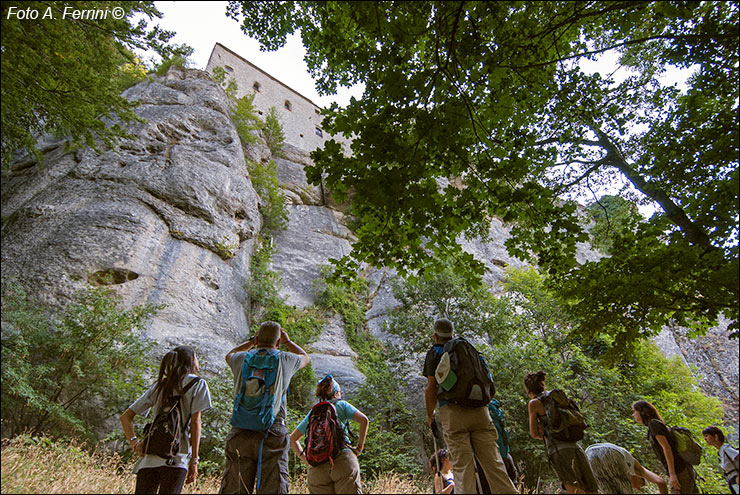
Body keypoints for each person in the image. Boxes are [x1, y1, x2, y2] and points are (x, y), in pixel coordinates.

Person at [423, 317, 517, 494]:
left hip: (453, 413)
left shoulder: (435, 353)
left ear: (435, 336)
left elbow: (431, 387)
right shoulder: (469, 350)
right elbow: (490, 387)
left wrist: (430, 415)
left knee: (463, 469)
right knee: (495, 465)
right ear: (453, 334)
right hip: (481, 413)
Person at [219, 321, 310, 494]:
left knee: (234, 487)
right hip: (273, 431)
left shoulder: (241, 358)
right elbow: (305, 357)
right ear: (278, 342)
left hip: (240, 430)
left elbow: (230, 354)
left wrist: (252, 342)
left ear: (257, 338)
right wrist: (288, 342)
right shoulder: (285, 359)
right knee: (273, 487)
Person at [120, 345, 212, 494]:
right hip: (176, 458)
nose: (198, 361)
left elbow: (126, 417)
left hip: (150, 457)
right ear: (190, 360)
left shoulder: (160, 385)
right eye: (196, 357)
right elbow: (196, 422)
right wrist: (194, 460)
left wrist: (134, 443)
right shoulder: (198, 384)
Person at [290, 375, 369, 494]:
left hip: (317, 469)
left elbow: (293, 439)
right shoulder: (341, 405)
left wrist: (307, 461)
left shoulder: (314, 412)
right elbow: (364, 420)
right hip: (343, 460)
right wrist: (359, 448)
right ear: (336, 393)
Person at [525, 370, 598, 494]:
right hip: (576, 447)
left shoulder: (534, 403)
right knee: (591, 489)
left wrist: (543, 431)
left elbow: (534, 434)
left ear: (528, 390)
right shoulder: (556, 398)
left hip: (559, 451)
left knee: (574, 489)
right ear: (542, 385)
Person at [632, 400, 698, 494]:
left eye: (634, 411)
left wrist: (673, 475)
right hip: (684, 470)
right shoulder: (656, 424)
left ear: (642, 412)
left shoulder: (654, 425)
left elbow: (667, 448)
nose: (633, 414)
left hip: (680, 471)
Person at [585, 442, 668, 494]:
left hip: (589, 455)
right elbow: (661, 482)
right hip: (613, 452)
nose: (637, 488)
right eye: (641, 486)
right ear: (639, 477)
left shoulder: (628, 463)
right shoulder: (638, 469)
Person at [702, 426, 739, 494]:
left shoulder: (726, 449)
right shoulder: (720, 452)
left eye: (707, 436)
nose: (705, 439)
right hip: (732, 482)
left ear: (715, 436)